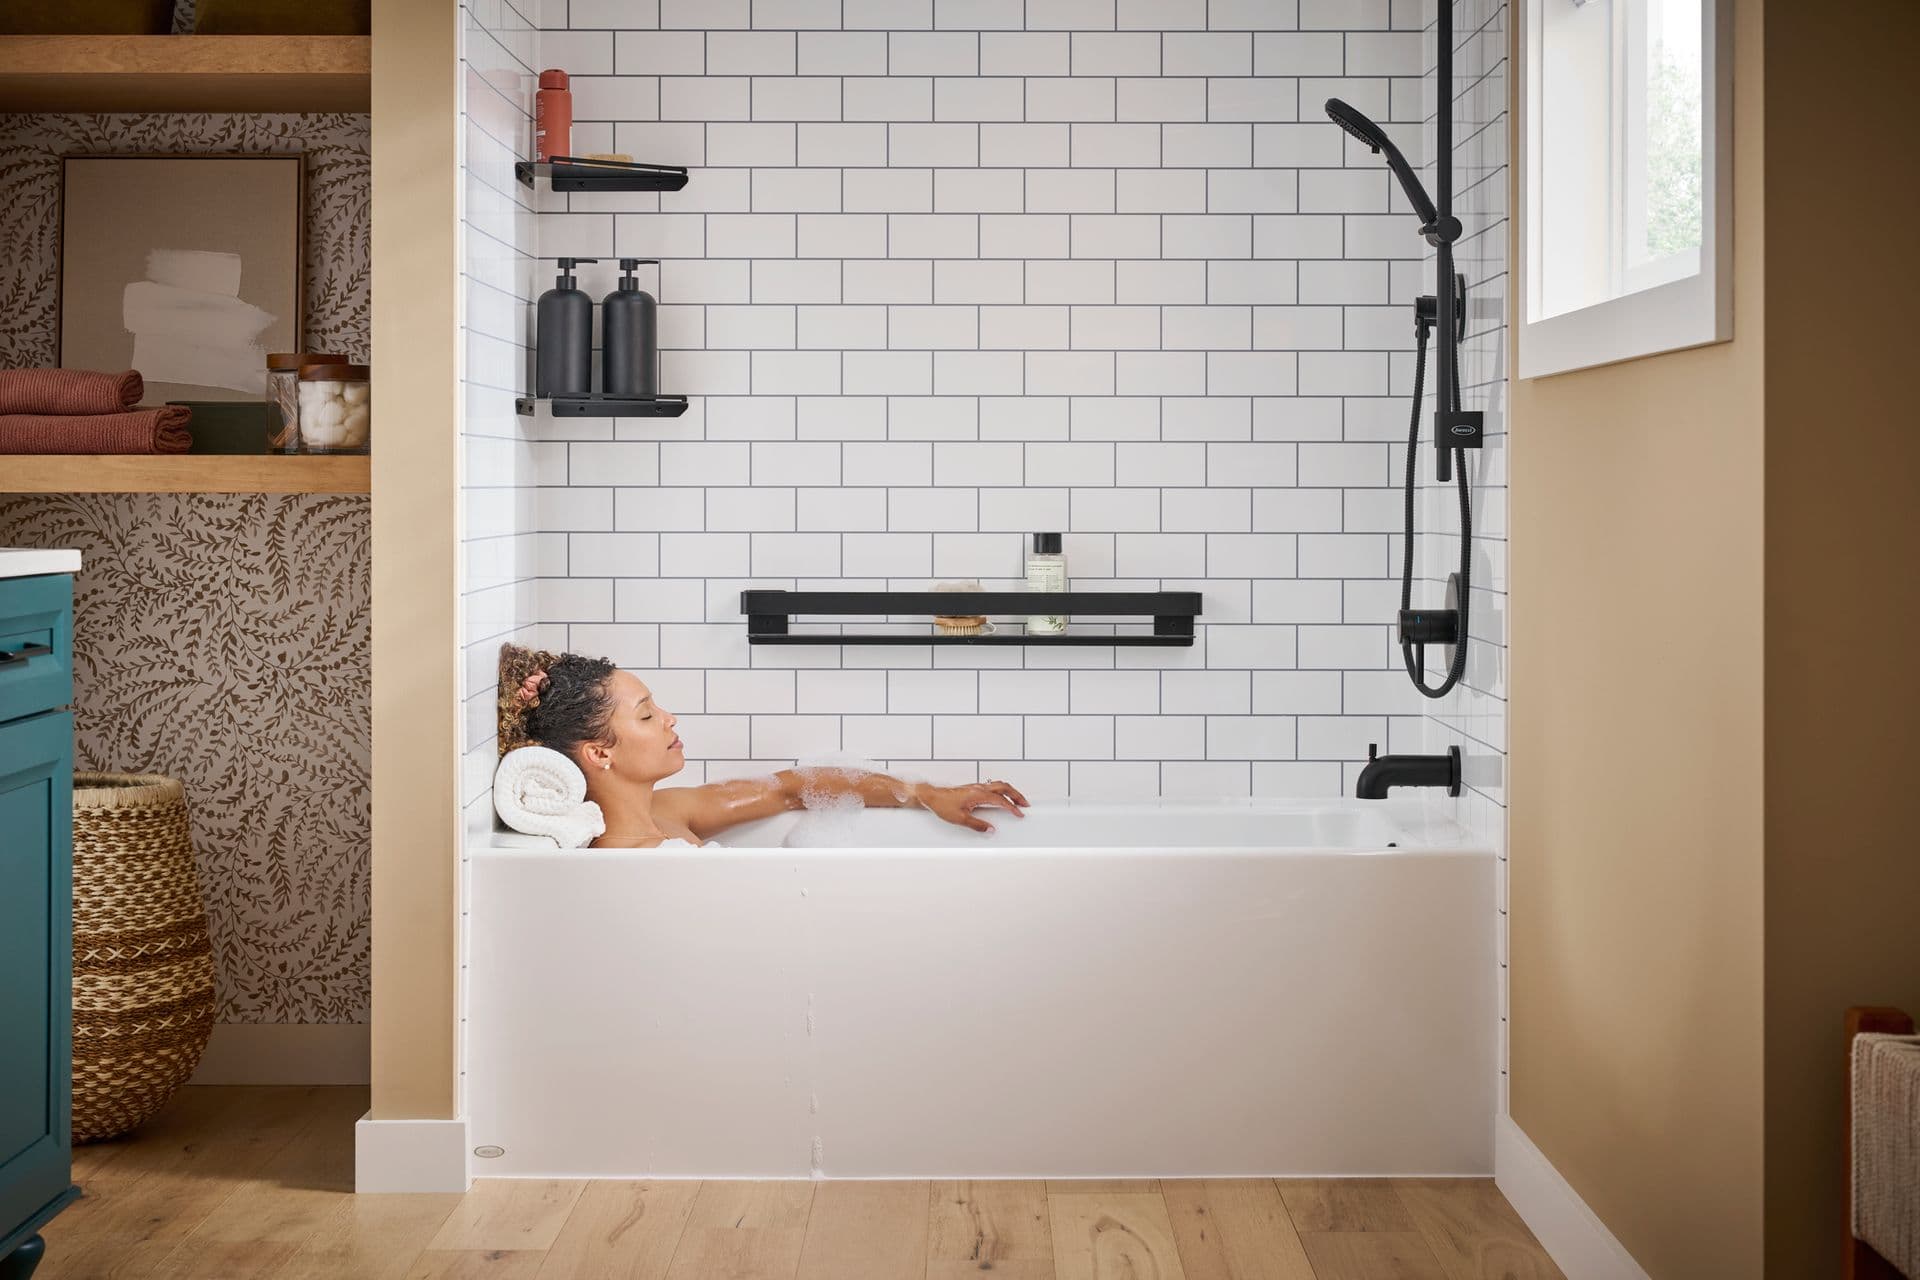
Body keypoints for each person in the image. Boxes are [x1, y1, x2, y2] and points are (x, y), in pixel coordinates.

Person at [498, 645, 1029, 849]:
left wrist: (925, 793)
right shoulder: (634, 859)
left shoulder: (664, 812)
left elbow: (795, 788)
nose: (668, 718)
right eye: (646, 714)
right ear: (599, 754)